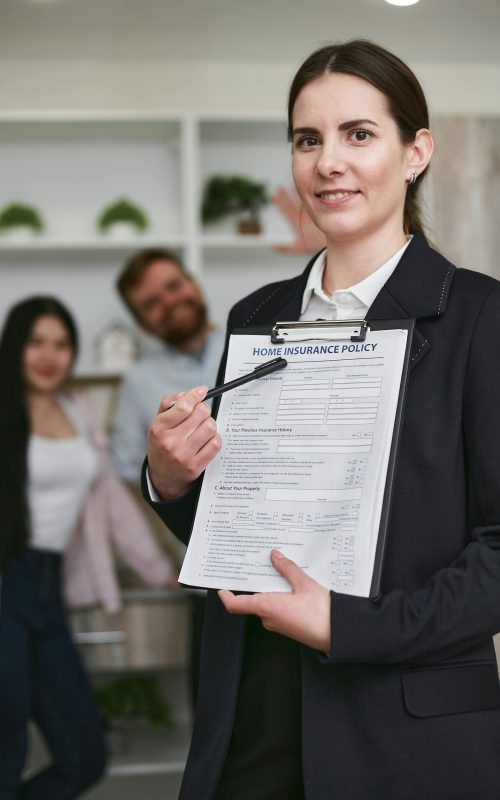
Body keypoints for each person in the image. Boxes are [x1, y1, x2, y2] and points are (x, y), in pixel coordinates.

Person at [143, 40, 500, 800]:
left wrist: (348, 626)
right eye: (309, 140)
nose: (328, 162)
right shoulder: (255, 315)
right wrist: (171, 481)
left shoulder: (482, 319)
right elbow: (240, 525)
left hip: (405, 736)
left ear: (416, 152)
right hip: (251, 720)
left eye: (358, 134)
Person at [0, 296, 173, 799]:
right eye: (36, 342)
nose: (49, 355)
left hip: (46, 595)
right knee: (6, 751)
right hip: (5, 585)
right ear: (15, 346)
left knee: (84, 757)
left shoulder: (78, 408)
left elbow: (111, 503)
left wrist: (159, 569)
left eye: (61, 344)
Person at [112, 247, 224, 484]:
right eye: (152, 303)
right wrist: (165, 467)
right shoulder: (137, 379)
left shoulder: (253, 347)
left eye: (174, 286)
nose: (171, 302)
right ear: (143, 326)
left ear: (194, 284)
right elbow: (126, 466)